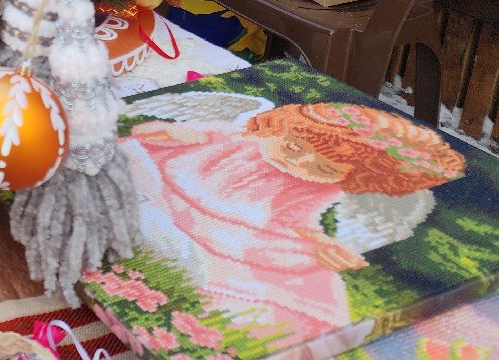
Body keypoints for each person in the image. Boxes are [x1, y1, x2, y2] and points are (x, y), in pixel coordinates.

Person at [124, 102, 464, 350]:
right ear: (277, 127)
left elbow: (294, 223)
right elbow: (181, 136)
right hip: (172, 182)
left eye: (324, 168)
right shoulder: (243, 139)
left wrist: (315, 245)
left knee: (295, 294)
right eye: (292, 147)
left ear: (351, 178)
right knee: (128, 172)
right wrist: (178, 133)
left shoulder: (314, 190)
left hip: (234, 229)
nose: (297, 163)